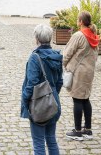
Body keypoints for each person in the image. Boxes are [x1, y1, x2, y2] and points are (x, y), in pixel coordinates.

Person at [21, 24, 63, 154]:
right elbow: (60, 81)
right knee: (51, 139)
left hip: (39, 104)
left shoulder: (35, 57)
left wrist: (25, 99)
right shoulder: (56, 55)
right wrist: (52, 94)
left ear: (37, 39)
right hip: (53, 102)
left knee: (38, 142)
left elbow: (31, 83)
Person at [63, 11, 100, 141]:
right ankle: (88, 130)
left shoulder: (78, 35)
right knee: (85, 99)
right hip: (89, 71)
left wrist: (64, 64)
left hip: (78, 71)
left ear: (80, 21)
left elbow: (68, 53)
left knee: (77, 99)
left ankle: (78, 131)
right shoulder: (94, 35)